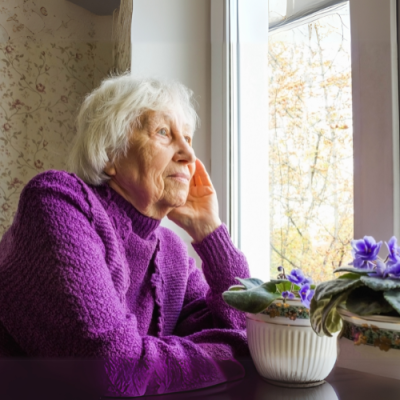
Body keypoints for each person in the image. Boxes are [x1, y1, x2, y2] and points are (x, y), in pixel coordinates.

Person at [0, 75, 250, 397]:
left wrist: (210, 233)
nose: (189, 154)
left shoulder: (170, 250)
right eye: (164, 133)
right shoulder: (57, 202)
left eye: (188, 137)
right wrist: (229, 354)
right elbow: (113, 369)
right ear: (109, 153)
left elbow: (245, 330)